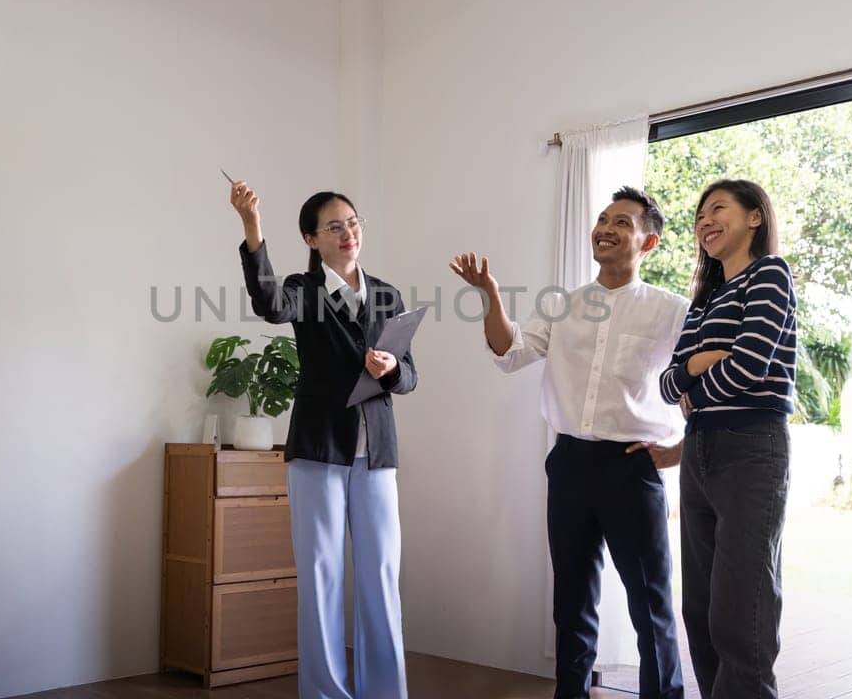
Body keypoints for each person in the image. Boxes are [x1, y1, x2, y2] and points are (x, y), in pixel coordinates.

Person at [450, 186, 688, 699]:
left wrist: (682, 450)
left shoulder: (671, 311)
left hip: (632, 467)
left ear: (648, 243)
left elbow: (696, 383)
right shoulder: (561, 306)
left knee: (651, 605)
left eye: (622, 222)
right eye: (603, 219)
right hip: (570, 464)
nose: (606, 228)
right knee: (572, 600)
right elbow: (509, 352)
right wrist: (490, 294)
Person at [230, 179, 417, 699]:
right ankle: (326, 693)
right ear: (312, 240)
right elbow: (269, 303)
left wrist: (391, 368)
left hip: (376, 451)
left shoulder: (386, 294)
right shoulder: (302, 289)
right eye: (334, 227)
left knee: (380, 575)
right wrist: (252, 227)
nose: (347, 233)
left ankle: (385, 692)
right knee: (322, 575)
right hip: (318, 449)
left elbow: (410, 376)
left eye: (352, 223)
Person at [657, 179, 797, 699]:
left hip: (751, 447)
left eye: (718, 209)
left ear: (754, 218)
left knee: (742, 608)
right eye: (699, 216)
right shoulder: (707, 298)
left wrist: (699, 380)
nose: (704, 222)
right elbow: (670, 385)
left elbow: (750, 367)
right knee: (700, 609)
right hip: (699, 450)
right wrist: (697, 362)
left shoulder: (770, 275)